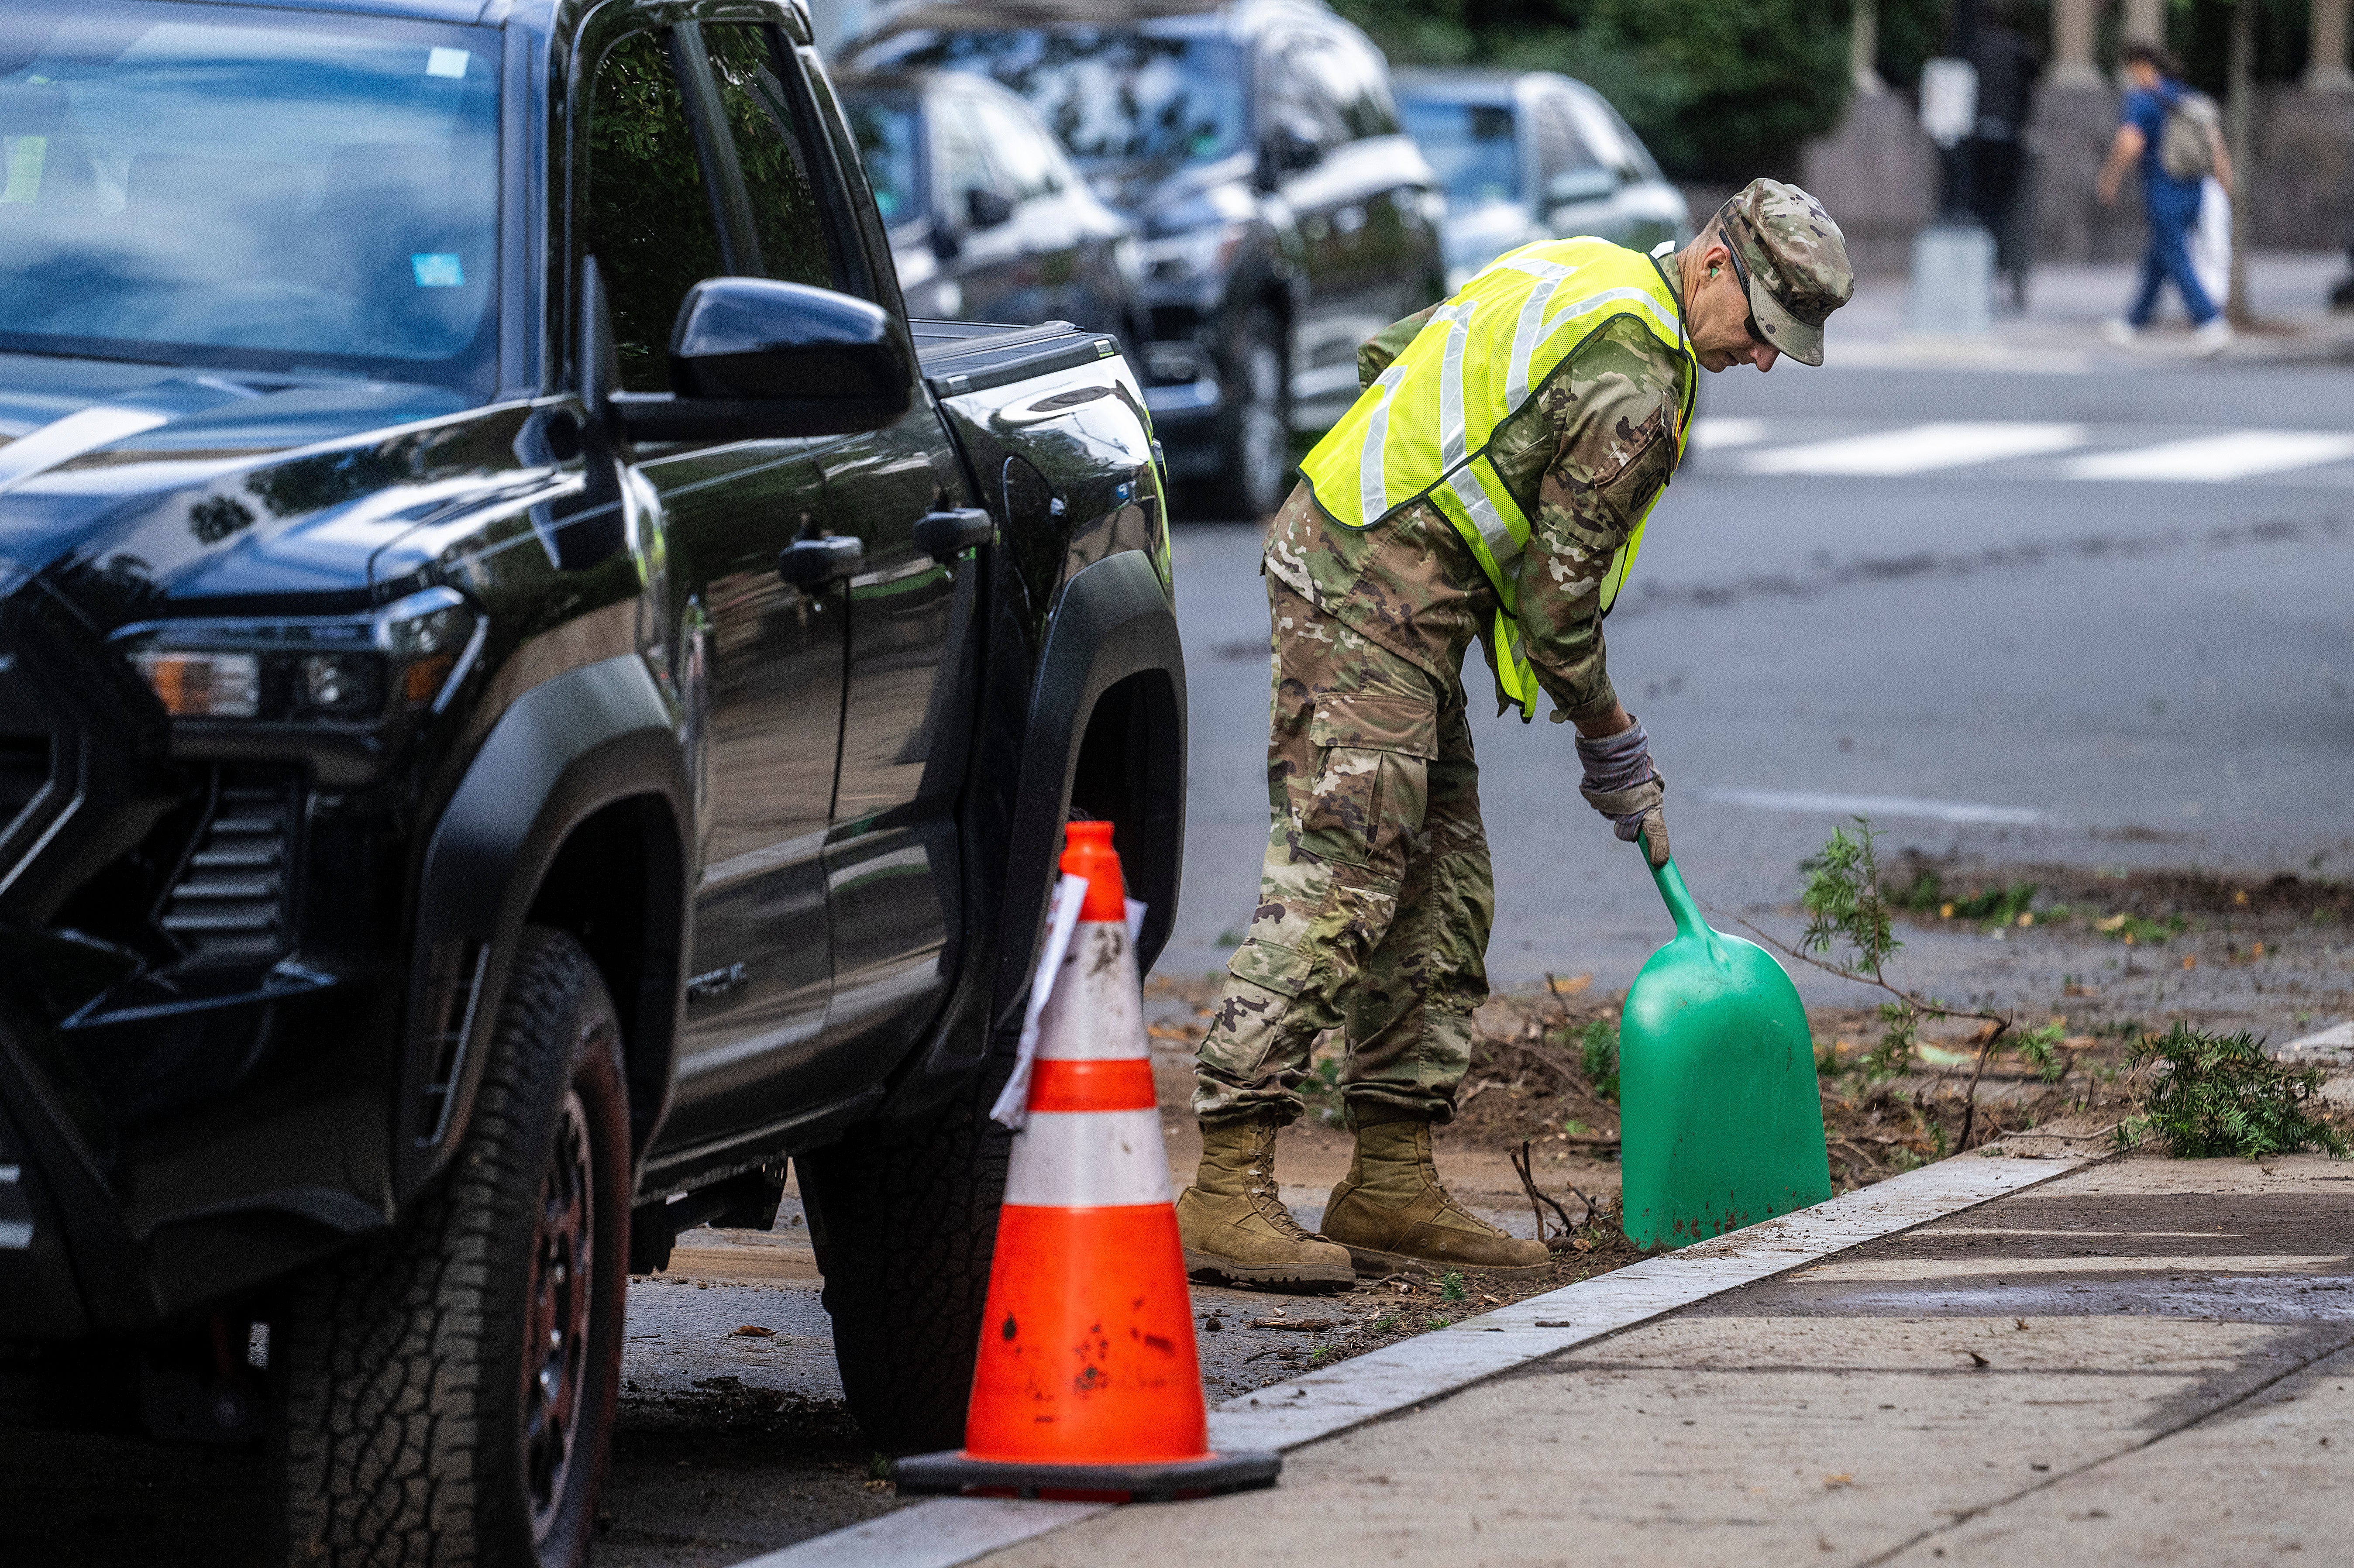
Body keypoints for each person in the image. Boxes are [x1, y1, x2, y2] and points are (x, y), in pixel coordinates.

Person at [1176, 179, 1856, 1287]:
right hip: (1366, 591)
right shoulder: (1640, 383)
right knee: (1345, 870)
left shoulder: (1582, 269)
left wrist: (1431, 525)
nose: (1765, 360)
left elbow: (1396, 354)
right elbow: (1555, 603)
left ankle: (1388, 1179)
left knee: (1441, 876)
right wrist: (1612, 740)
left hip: (1379, 574)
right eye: (1764, 329)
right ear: (1716, 265)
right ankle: (1227, 1179)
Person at [2096, 41, 2234, 354]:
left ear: (2142, 67)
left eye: (2132, 69)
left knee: (2173, 253)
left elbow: (2130, 142)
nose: (2131, 76)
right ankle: (2134, 321)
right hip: (2195, 186)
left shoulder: (2143, 99)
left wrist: (2110, 177)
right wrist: (2224, 179)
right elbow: (2215, 141)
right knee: (2160, 253)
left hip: (2165, 187)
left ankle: (2210, 321)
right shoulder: (2186, 94)